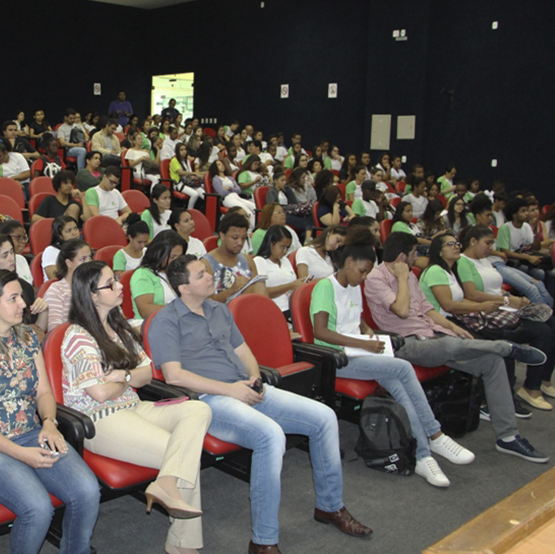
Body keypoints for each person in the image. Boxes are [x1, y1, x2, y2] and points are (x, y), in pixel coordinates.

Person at [150, 254, 373, 554]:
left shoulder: (219, 309)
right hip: (209, 400)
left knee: (324, 417)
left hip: (245, 388)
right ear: (184, 288)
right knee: (270, 436)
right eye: (201, 274)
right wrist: (231, 390)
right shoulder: (166, 320)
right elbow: (174, 376)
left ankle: (330, 507)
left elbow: (244, 352)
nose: (209, 276)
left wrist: (255, 379)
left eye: (207, 271)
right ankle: (264, 541)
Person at [62, 261, 211, 554]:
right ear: (92, 296)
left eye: (117, 279)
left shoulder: (121, 326)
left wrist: (125, 376)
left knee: (198, 410)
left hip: (134, 406)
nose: (120, 286)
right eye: (111, 284)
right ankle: (183, 545)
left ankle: (165, 484)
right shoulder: (78, 337)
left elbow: (146, 373)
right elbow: (101, 394)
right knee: (179, 450)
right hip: (101, 420)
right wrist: (125, 379)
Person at [364, 232, 549, 463]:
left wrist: (452, 326)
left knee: (491, 362)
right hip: (406, 343)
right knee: (453, 345)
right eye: (413, 254)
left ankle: (508, 437)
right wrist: (401, 278)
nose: (415, 258)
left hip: (434, 336)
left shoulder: (411, 275)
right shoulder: (375, 278)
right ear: (402, 256)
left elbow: (428, 309)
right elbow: (402, 310)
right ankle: (503, 346)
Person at [0, 269, 100, 554]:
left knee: (87, 491)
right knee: (37, 507)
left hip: (31, 432)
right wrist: (20, 454)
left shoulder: (28, 339)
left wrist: (49, 423)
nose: (24, 304)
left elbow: (44, 392)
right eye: (14, 298)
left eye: (21, 296)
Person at [310, 235, 475, 487]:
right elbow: (320, 332)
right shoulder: (325, 287)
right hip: (337, 358)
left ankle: (423, 456)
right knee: (402, 367)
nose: (364, 278)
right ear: (348, 263)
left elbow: (357, 318)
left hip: (358, 352)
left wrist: (367, 332)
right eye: (362, 271)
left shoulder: (353, 286)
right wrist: (364, 343)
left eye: (367, 272)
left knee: (399, 385)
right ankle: (435, 434)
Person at [469, 196, 553, 306]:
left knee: (539, 284)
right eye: (488, 215)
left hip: (502, 264)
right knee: (531, 288)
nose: (490, 218)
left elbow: (534, 247)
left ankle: (550, 313)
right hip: (495, 266)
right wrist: (499, 253)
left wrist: (535, 230)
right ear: (478, 216)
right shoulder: (472, 232)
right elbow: (482, 251)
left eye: (491, 215)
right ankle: (546, 317)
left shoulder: (488, 229)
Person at [202, 214, 269, 305]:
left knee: (260, 286)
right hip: (220, 313)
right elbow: (206, 303)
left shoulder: (248, 260)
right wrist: (231, 291)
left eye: (243, 238)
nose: (240, 243)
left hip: (248, 309)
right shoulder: (206, 264)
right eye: (235, 238)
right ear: (222, 235)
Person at [130, 230, 187, 320]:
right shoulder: (143, 274)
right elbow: (145, 311)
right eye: (172, 257)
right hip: (151, 325)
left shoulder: (179, 271)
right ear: (159, 253)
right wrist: (181, 308)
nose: (177, 261)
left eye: (180, 257)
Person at [253, 226, 305, 317]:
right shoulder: (260, 261)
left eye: (287, 248)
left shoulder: (285, 260)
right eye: (282, 247)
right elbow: (261, 293)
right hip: (275, 310)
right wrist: (291, 285)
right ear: (271, 244)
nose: (285, 251)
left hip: (292, 307)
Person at [44, 239, 93, 331]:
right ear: (69, 263)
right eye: (83, 259)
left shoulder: (96, 285)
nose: (88, 262)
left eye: (90, 257)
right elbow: (55, 330)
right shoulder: (57, 290)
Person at [0, 220, 34, 285]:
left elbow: (30, 284)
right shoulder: (0, 262)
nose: (23, 241)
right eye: (18, 238)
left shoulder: (21, 259)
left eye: (24, 238)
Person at [170, 142, 206, 210]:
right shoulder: (174, 160)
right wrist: (195, 173)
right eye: (181, 150)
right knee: (195, 194)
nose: (184, 151)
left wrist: (201, 173)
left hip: (189, 182)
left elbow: (190, 173)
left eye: (185, 149)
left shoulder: (186, 160)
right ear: (177, 151)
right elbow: (181, 172)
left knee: (204, 194)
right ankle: (189, 211)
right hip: (178, 183)